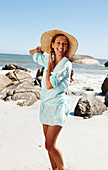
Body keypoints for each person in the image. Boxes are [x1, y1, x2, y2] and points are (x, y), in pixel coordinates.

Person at [29, 29, 78, 170]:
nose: (61, 47)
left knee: (50, 145)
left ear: (67, 47)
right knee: (47, 146)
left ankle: (61, 169)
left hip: (57, 107)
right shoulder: (48, 57)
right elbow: (31, 52)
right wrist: (40, 49)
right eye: (58, 43)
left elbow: (50, 85)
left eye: (64, 44)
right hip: (45, 105)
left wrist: (49, 62)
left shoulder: (65, 64)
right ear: (52, 44)